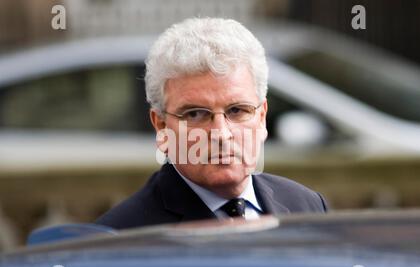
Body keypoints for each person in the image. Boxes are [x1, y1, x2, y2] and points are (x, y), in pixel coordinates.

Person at [96, 17, 328, 230]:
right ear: (162, 127)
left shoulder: (308, 206)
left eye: (237, 110)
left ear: (261, 118)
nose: (221, 133)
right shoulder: (122, 237)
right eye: (196, 114)